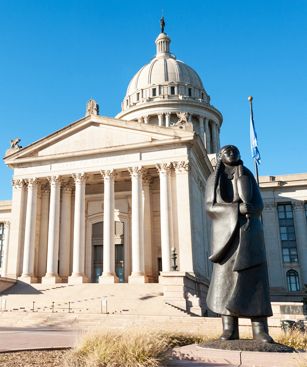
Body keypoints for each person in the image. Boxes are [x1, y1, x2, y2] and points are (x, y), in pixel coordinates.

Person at [205, 145, 273, 343]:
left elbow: (259, 203)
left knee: (254, 280)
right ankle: (229, 329)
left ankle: (260, 329)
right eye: (227, 152)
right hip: (226, 238)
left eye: (235, 151)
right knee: (225, 283)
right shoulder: (213, 179)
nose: (232, 154)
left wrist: (251, 208)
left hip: (250, 232)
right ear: (220, 156)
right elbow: (210, 207)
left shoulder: (248, 175)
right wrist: (237, 209)